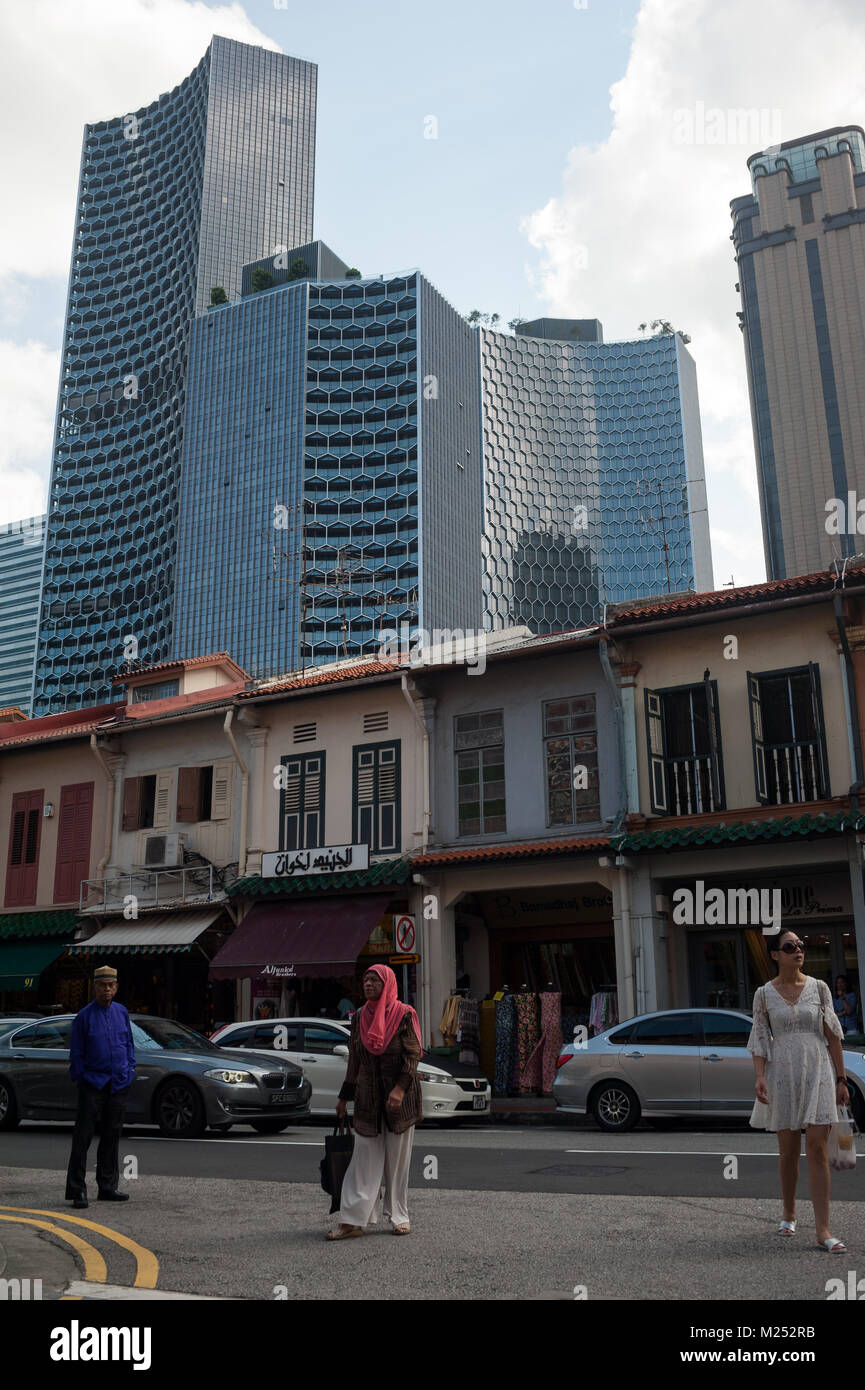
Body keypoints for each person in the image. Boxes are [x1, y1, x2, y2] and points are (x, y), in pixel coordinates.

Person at [748, 930, 850, 1252]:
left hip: (818, 1068)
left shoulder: (819, 989)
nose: (798, 951)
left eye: (801, 946)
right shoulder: (764, 995)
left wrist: (842, 1079)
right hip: (783, 1074)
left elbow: (833, 1035)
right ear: (775, 955)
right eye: (790, 947)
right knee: (788, 1151)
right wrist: (760, 1076)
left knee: (818, 1149)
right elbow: (761, 1039)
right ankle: (789, 1211)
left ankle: (823, 1230)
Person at [327, 964, 422, 1240]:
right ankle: (353, 1220)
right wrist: (344, 1096)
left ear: (388, 984)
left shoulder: (404, 1014)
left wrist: (400, 1089)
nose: (368, 984)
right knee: (363, 1159)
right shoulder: (358, 1018)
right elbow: (355, 1058)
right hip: (368, 1098)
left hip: (399, 1099)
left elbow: (412, 1055)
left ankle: (399, 1216)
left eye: (374, 980)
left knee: (397, 1161)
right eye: (366, 980)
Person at [65, 965, 136, 1209]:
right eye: (102, 985)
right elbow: (76, 1054)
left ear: (116, 987)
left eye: (110, 985)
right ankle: (77, 1190)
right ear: (94, 987)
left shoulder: (121, 1012)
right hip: (92, 1084)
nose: (106, 989)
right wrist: (82, 1078)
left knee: (111, 1135)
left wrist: (130, 1070)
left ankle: (107, 1186)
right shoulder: (84, 1016)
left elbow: (128, 1044)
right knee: (83, 1137)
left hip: (118, 1083)